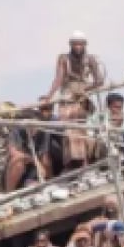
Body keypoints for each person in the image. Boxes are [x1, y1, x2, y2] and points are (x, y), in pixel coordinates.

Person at [44, 31, 105, 168]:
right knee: (68, 131)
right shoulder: (63, 58)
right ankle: (69, 164)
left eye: (80, 44)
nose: (78, 47)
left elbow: (99, 80)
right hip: (67, 96)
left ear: (84, 45)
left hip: (82, 97)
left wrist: (85, 90)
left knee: (82, 130)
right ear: (71, 45)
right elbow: (59, 78)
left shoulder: (91, 59)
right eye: (75, 44)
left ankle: (85, 163)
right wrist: (49, 96)